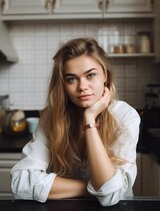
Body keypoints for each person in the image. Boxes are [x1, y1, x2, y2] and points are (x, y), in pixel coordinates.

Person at [11, 37, 140, 206]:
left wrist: (89, 120)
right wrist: (93, 188)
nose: (82, 86)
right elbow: (20, 182)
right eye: (71, 79)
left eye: (91, 75)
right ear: (63, 84)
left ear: (105, 76)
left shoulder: (125, 116)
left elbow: (109, 197)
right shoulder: (51, 117)